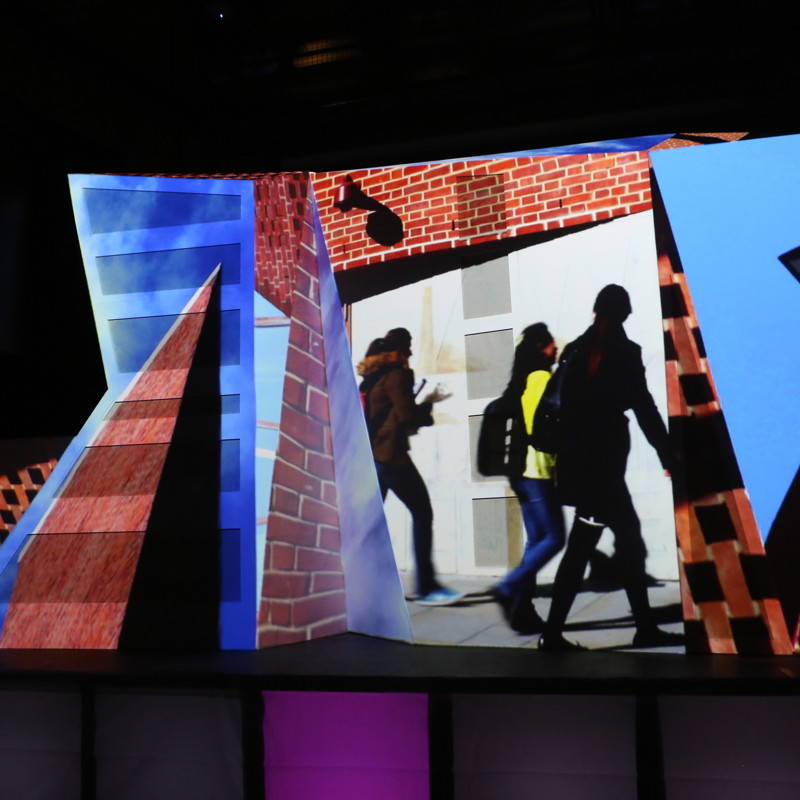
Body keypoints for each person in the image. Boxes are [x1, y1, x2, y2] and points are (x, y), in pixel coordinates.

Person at [538, 284, 680, 651]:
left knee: (622, 540)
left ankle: (642, 627)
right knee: (589, 546)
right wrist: (668, 455)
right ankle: (553, 635)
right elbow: (644, 408)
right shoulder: (624, 353)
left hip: (581, 464)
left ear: (596, 310)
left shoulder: (575, 350)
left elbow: (565, 406)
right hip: (605, 467)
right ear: (626, 313)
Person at [357, 328, 460, 606]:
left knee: (368, 525)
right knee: (423, 512)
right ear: (401, 351)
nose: (411, 354)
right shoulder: (398, 375)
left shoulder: (371, 378)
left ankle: (361, 586)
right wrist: (429, 403)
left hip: (372, 456)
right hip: (391, 456)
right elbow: (406, 416)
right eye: (408, 348)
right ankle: (426, 587)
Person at [490, 323, 566, 634]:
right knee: (554, 538)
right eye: (550, 343)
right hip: (536, 470)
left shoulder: (520, 379)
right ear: (540, 347)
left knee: (536, 541)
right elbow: (539, 426)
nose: (555, 347)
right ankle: (508, 587)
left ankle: (522, 611)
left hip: (521, 472)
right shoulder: (540, 377)